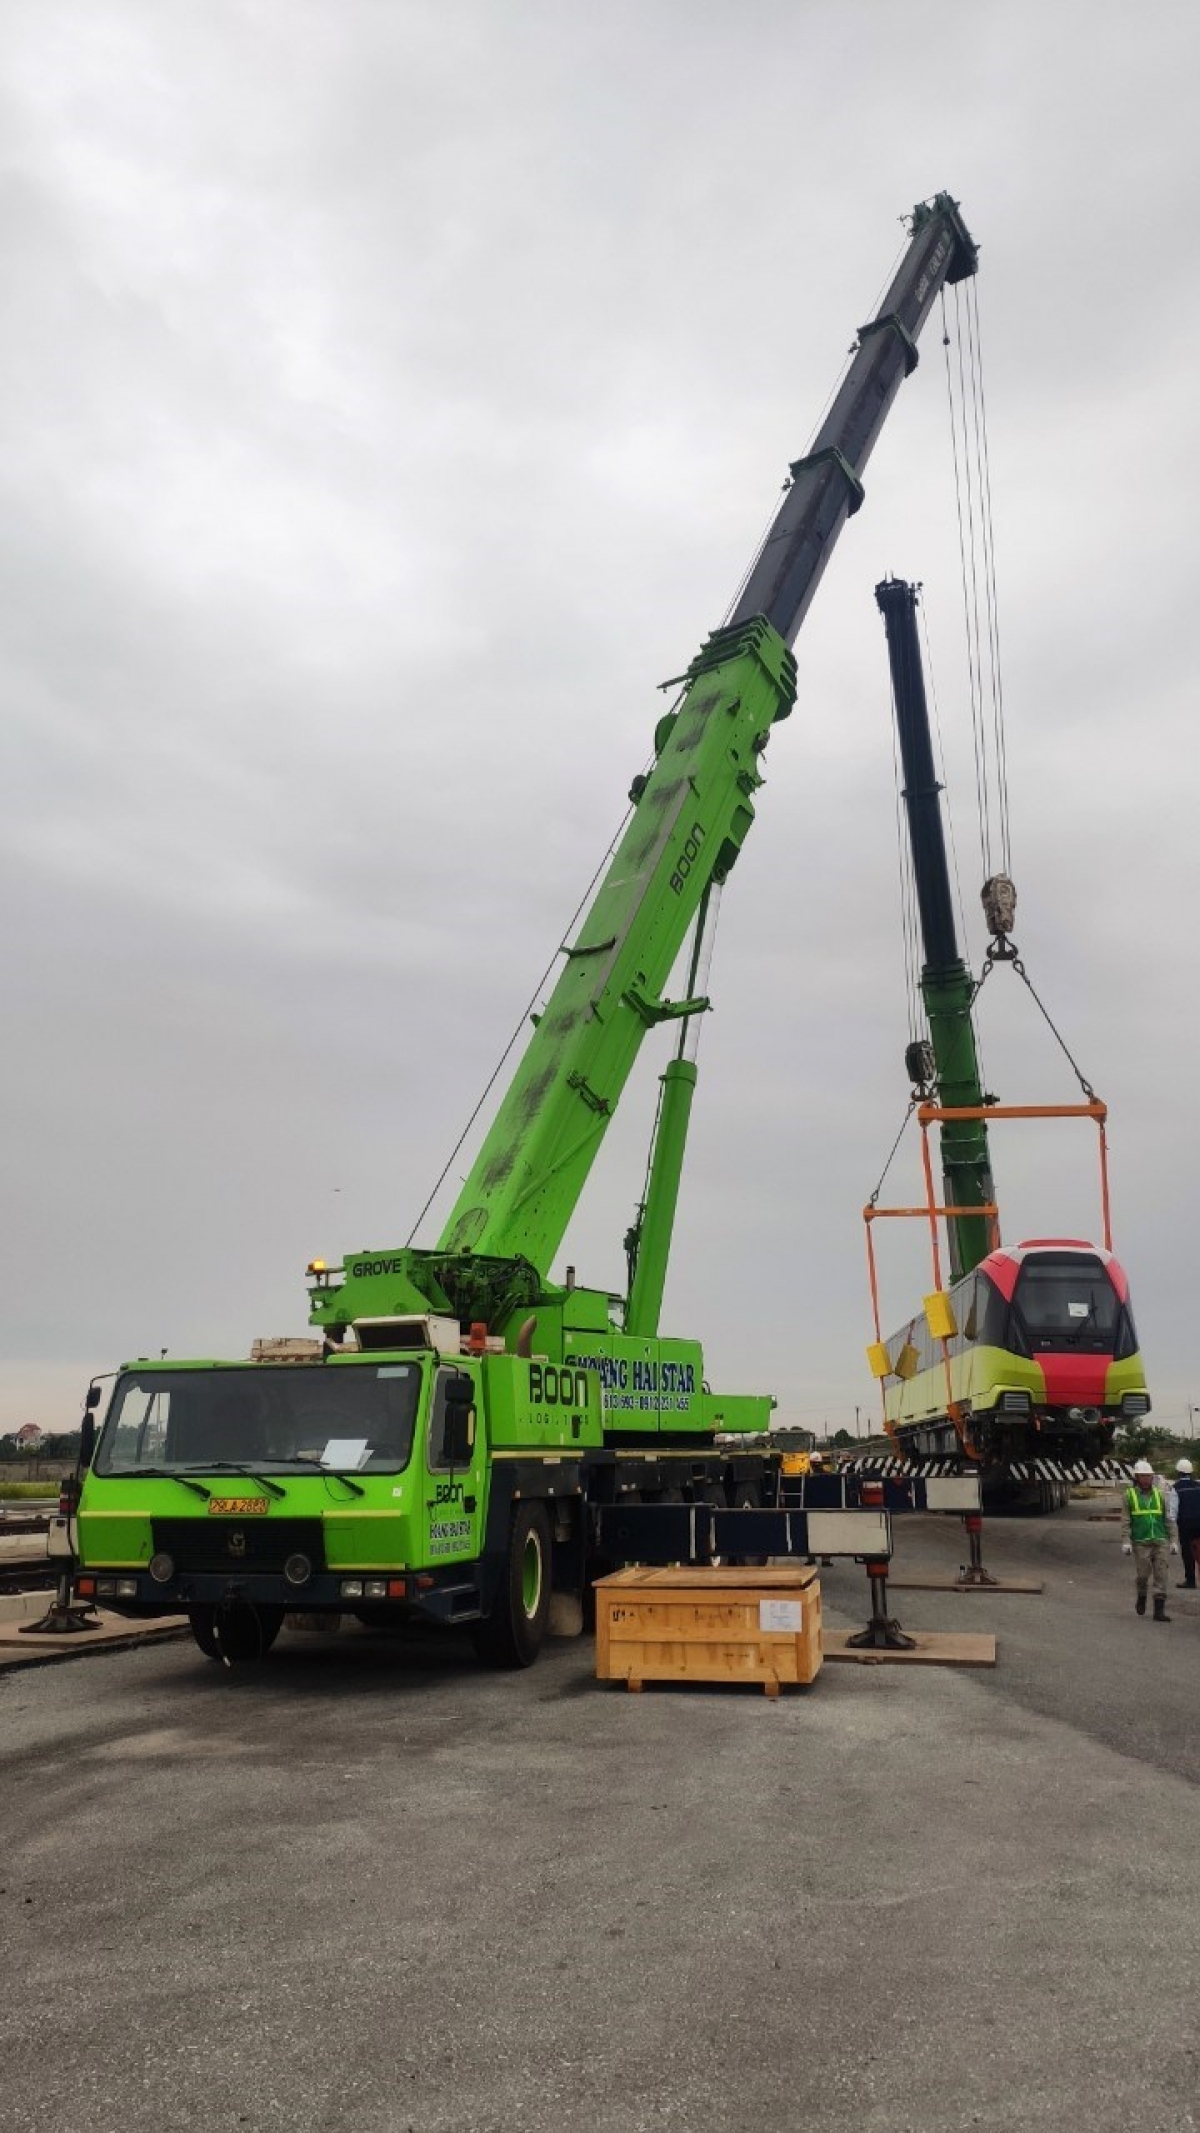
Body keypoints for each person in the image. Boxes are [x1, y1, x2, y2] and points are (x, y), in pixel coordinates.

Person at [1121, 1458, 1178, 1620]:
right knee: (1143, 1575)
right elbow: (1125, 1520)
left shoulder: (1160, 1495)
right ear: (1136, 1478)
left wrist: (1173, 1540)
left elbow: (1168, 1519)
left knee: (1161, 1574)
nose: (1146, 1479)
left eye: (1148, 1476)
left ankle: (1159, 1611)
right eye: (1143, 1476)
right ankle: (1142, 1596)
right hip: (1141, 1541)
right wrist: (1126, 1541)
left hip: (1160, 1540)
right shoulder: (1129, 1496)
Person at [1171, 1457, 1200, 1590]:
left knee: (1187, 1553)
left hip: (1185, 1524)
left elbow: (1173, 1510)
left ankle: (1190, 1580)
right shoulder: (1198, 1486)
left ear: (1178, 1472)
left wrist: (1171, 1525)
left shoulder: (1176, 1488)